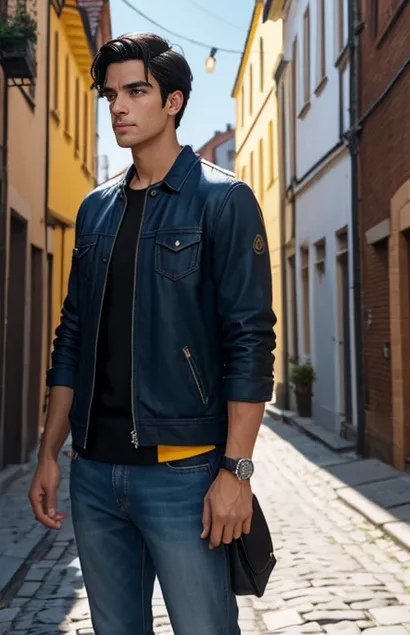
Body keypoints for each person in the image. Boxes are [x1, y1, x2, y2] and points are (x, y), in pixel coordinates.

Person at [28, 32, 276, 635]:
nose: (118, 106)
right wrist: (49, 454)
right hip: (92, 474)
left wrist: (235, 473)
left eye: (136, 91)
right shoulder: (95, 210)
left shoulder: (224, 200)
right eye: (110, 94)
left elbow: (250, 342)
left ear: (173, 102)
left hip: (184, 475)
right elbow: (73, 336)